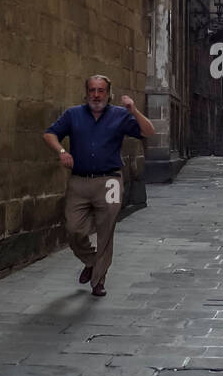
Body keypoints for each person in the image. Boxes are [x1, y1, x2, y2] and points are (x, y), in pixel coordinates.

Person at [43, 74, 155, 298]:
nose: (96, 95)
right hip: (79, 180)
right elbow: (49, 134)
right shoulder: (73, 114)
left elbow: (149, 131)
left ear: (108, 93)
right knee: (74, 229)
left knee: (106, 229)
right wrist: (62, 152)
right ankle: (91, 261)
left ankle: (98, 280)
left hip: (110, 180)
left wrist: (133, 110)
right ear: (86, 93)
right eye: (92, 90)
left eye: (101, 90)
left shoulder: (120, 115)